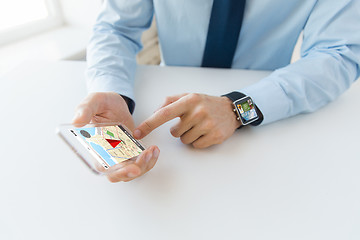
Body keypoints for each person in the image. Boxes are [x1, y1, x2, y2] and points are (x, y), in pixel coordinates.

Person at [73, 0, 360, 182]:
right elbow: (117, 27)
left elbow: (338, 54)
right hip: (164, 113)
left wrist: (237, 108)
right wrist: (112, 90)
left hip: (269, 128)